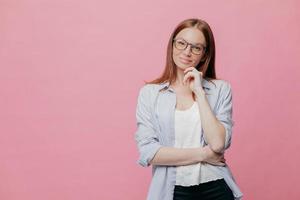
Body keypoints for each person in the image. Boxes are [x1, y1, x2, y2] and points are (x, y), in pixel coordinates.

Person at [134, 18, 243, 200]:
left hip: (216, 187)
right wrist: (204, 154)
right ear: (172, 45)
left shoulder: (220, 89)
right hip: (172, 190)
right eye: (181, 43)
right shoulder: (150, 93)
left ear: (205, 55)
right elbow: (149, 152)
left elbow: (217, 144)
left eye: (196, 47)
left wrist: (199, 92)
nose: (187, 52)